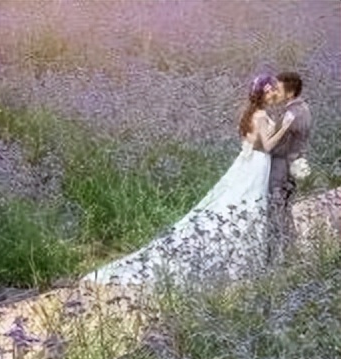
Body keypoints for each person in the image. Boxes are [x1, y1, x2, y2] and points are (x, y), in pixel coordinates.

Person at [87, 73, 293, 289]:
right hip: (257, 164)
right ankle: (244, 259)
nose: (272, 94)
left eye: (272, 90)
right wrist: (284, 127)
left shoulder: (253, 113)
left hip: (253, 164)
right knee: (250, 204)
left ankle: (248, 253)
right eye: (269, 91)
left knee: (246, 203)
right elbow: (267, 146)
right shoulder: (259, 116)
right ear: (261, 93)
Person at [267, 71, 312, 264]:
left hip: (282, 168)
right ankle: (290, 254)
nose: (276, 92)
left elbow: (276, 146)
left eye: (278, 88)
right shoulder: (304, 108)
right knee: (285, 210)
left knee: (276, 210)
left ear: (290, 91)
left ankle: (279, 258)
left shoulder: (292, 113)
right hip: (293, 165)